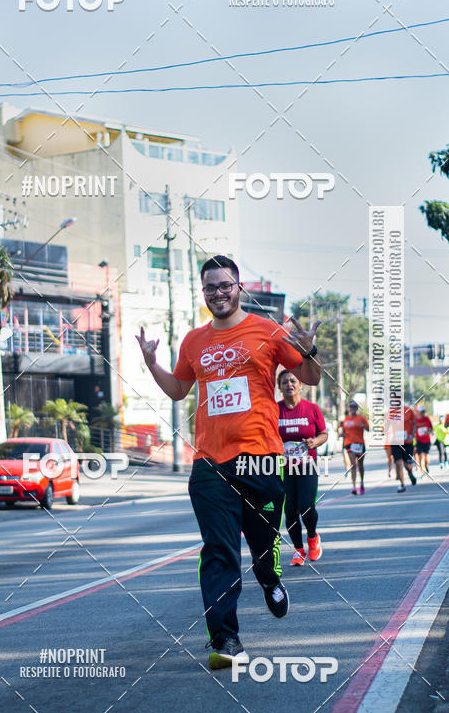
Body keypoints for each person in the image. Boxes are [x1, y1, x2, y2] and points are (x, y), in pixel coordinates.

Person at [136, 255, 321, 669]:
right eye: (210, 287)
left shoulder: (267, 330)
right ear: (203, 292)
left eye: (225, 285)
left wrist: (309, 351)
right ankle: (226, 639)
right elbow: (179, 390)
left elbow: (310, 377)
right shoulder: (193, 341)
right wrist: (151, 364)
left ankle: (269, 577)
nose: (218, 293)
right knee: (219, 549)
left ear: (239, 288)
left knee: (263, 545)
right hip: (211, 463)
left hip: (261, 460)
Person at [277, 370, 328, 566]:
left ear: (300, 385)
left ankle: (313, 537)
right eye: (284, 382)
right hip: (284, 468)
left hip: (307, 465)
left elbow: (323, 433)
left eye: (293, 381)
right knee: (290, 510)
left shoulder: (311, 409)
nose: (289, 384)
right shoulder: (274, 410)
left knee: (306, 506)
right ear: (280, 387)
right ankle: (298, 550)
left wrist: (315, 441)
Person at [339, 401, 369, 494]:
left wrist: (363, 426)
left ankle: (362, 483)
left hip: (360, 444)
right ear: (348, 408)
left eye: (354, 407)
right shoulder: (345, 419)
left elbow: (368, 428)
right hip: (349, 443)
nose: (352, 409)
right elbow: (341, 431)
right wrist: (341, 433)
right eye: (350, 407)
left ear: (356, 408)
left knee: (360, 466)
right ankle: (354, 486)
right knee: (353, 465)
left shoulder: (361, 418)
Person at [390, 405, 417, 492]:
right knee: (398, 463)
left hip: (407, 442)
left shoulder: (408, 410)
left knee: (407, 464)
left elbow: (415, 423)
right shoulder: (390, 412)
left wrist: (412, 434)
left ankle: (410, 473)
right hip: (395, 442)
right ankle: (402, 484)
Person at [414, 405, 433, 475]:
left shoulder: (427, 419)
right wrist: (414, 436)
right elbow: (413, 429)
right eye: (421, 412)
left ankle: (426, 466)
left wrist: (428, 432)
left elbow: (431, 428)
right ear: (418, 412)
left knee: (426, 457)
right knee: (421, 457)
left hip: (427, 441)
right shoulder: (415, 420)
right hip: (419, 441)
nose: (422, 413)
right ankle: (424, 472)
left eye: (423, 412)